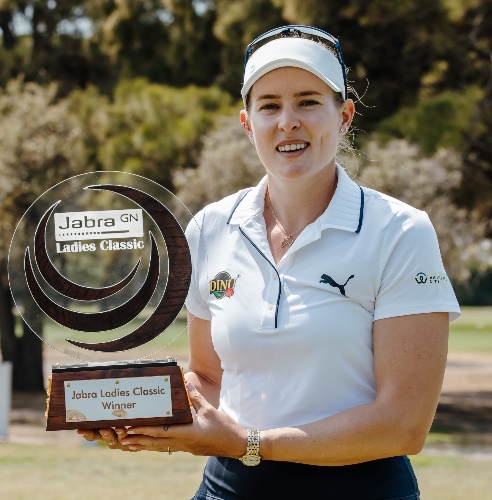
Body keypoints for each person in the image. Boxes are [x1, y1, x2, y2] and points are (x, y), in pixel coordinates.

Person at [78, 25, 460, 499]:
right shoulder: (210, 227)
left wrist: (249, 443)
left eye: (308, 101)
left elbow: (403, 424)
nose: (288, 122)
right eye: (270, 106)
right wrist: (133, 411)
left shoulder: (400, 232)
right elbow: (210, 378)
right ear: (247, 124)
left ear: (344, 116)